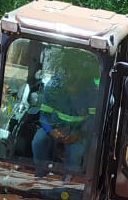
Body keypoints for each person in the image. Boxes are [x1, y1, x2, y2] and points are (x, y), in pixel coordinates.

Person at [31, 50, 99, 183]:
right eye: (67, 71)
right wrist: (51, 130)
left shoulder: (92, 92)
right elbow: (44, 114)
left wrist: (78, 133)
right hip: (55, 128)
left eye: (75, 71)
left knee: (77, 150)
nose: (70, 75)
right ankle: (40, 175)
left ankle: (67, 180)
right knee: (38, 141)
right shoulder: (53, 87)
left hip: (79, 131)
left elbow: (93, 120)